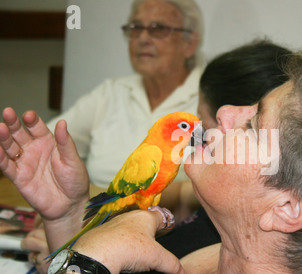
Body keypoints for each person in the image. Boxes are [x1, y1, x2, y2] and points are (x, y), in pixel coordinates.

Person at [1, 48, 302, 274]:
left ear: (288, 208)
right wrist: (66, 215)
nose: (225, 113)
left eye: (251, 124)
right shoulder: (237, 243)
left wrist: (89, 260)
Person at [47, 0, 204, 190]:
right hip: (96, 214)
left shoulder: (212, 98)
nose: (143, 38)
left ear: (190, 44)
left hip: (170, 218)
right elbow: (49, 144)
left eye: (159, 28)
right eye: (136, 28)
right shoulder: (111, 93)